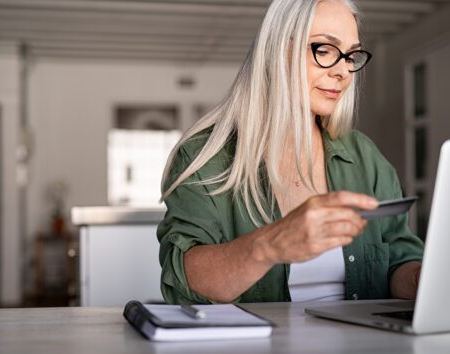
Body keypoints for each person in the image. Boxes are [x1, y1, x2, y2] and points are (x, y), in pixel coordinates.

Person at [157, 0, 424, 305]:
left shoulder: (364, 156)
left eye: (350, 55)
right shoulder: (204, 158)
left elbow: (398, 260)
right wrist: (271, 245)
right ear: (276, 51)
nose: (343, 72)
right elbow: (184, 283)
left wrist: (424, 279)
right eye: (324, 50)